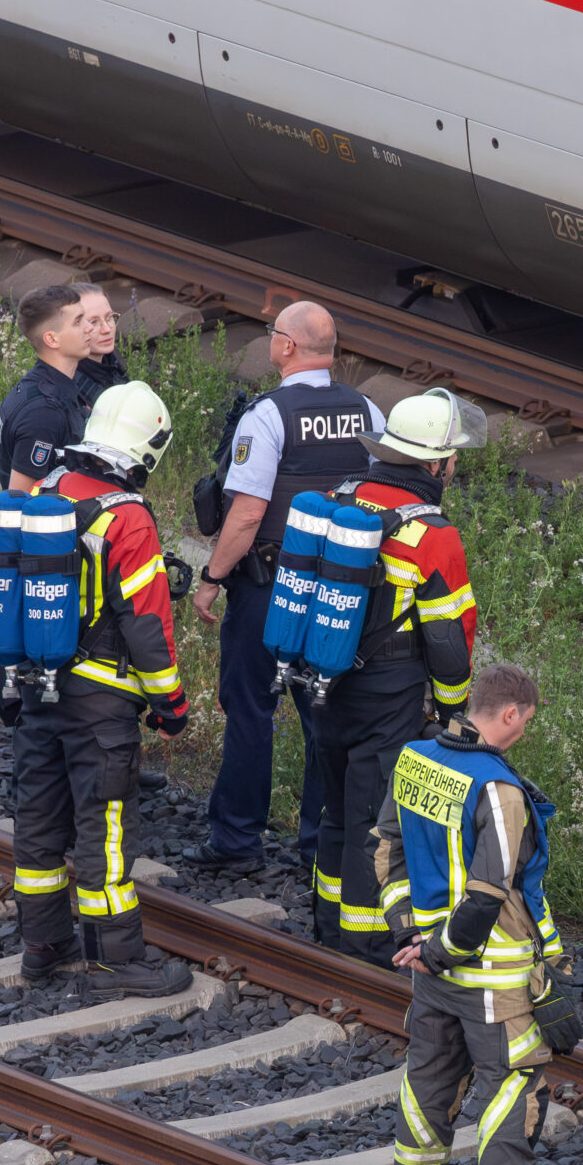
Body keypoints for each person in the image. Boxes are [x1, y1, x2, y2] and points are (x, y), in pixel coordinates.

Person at [374, 664, 582, 1165]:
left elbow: (386, 848)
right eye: (526, 724)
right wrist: (446, 951)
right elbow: (493, 890)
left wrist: (412, 935)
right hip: (490, 976)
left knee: (430, 1073)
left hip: (430, 966)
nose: (524, 735)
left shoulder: (415, 758)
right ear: (510, 714)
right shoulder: (498, 788)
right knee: (510, 1089)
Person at [8, 380, 195, 1001]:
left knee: (39, 816)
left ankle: (43, 944)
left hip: (39, 686)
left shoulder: (47, 490)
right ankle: (117, 961)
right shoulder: (128, 516)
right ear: (146, 451)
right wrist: (171, 707)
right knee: (105, 826)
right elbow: (147, 624)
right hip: (100, 703)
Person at [189, 302, 379, 874]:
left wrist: (211, 578)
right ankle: (320, 848)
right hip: (343, 589)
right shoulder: (367, 409)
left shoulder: (269, 415)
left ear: (287, 348)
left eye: (274, 334)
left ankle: (236, 839)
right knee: (326, 713)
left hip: (270, 586)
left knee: (251, 708)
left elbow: (247, 514)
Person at [310, 388, 484, 963]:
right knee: (372, 816)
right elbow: (447, 636)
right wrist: (453, 709)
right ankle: (365, 938)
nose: (454, 466)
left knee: (334, 805)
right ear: (434, 464)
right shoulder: (432, 534)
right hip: (388, 690)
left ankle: (328, 925)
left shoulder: (339, 498)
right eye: (452, 457)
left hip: (321, 678)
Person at [0, 282, 96, 492]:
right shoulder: (43, 413)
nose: (89, 327)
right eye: (78, 322)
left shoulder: (53, 386)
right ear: (51, 339)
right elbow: (21, 501)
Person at [74, 283, 130, 409]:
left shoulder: (112, 362)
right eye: (93, 322)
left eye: (109, 317)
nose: (107, 329)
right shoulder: (70, 384)